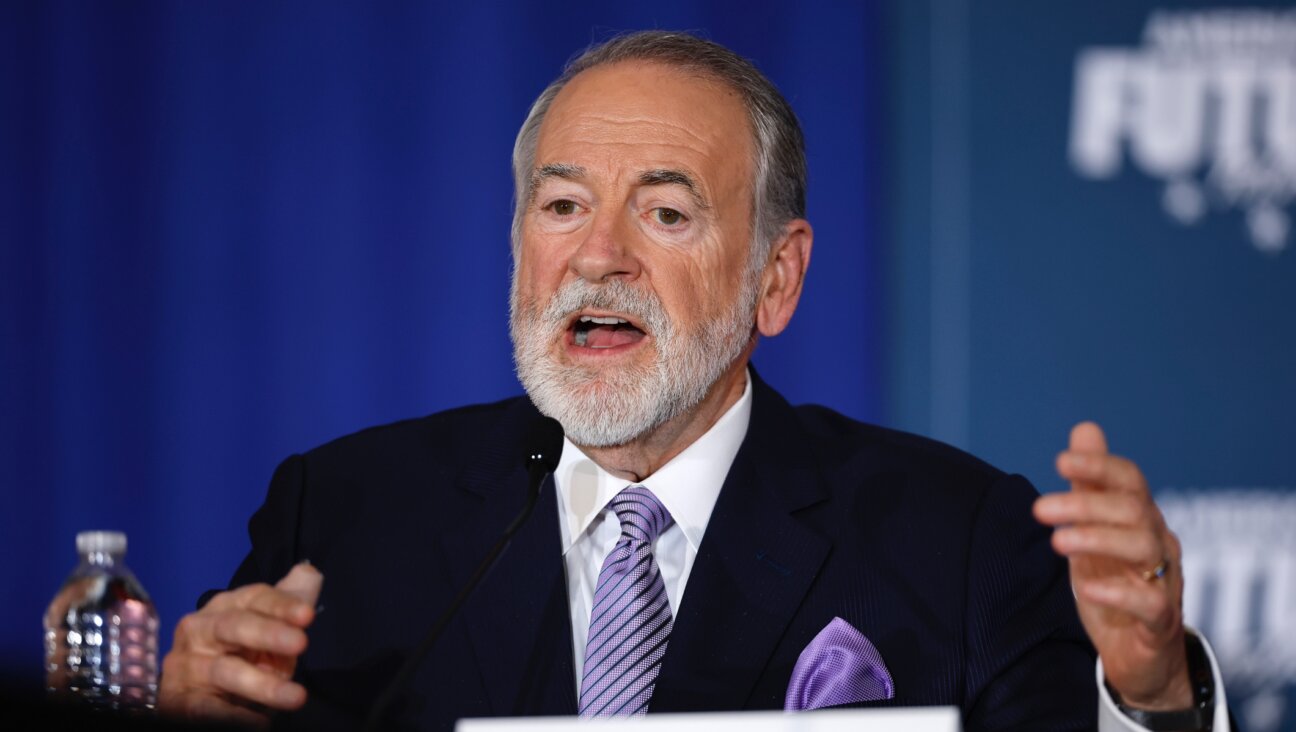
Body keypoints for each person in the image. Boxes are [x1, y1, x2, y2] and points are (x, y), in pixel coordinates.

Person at [158, 31, 1228, 731]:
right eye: (562, 205)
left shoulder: (956, 539)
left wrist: (1154, 698)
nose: (598, 257)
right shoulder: (346, 519)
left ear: (777, 277)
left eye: (665, 214)